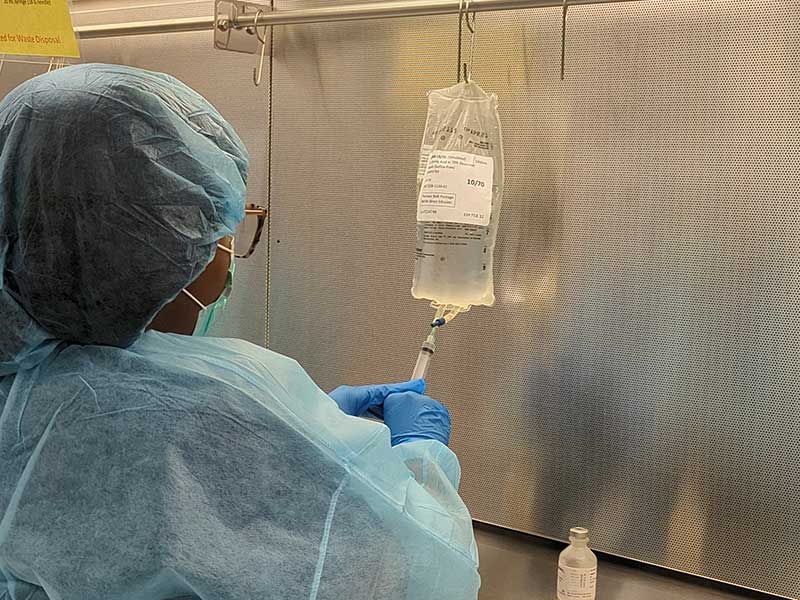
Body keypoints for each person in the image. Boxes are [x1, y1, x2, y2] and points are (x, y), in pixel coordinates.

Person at [0, 64, 479, 600]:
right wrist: (420, 457)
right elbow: (429, 571)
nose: (226, 253)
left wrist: (294, 437)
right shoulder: (197, 414)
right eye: (218, 224)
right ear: (156, 240)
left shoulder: (22, 388)